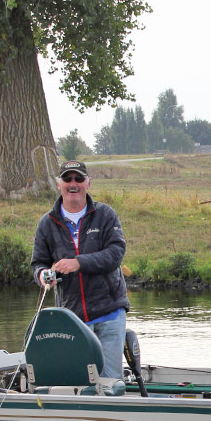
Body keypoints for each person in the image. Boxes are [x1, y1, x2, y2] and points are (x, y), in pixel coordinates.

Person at [31, 160, 130, 379]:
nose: (73, 184)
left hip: (109, 313)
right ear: (59, 184)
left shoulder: (105, 214)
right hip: (72, 319)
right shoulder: (46, 223)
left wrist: (78, 262)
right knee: (77, 380)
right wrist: (43, 276)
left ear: (88, 183)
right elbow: (38, 263)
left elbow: (115, 254)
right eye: (67, 179)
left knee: (110, 381)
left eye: (79, 179)